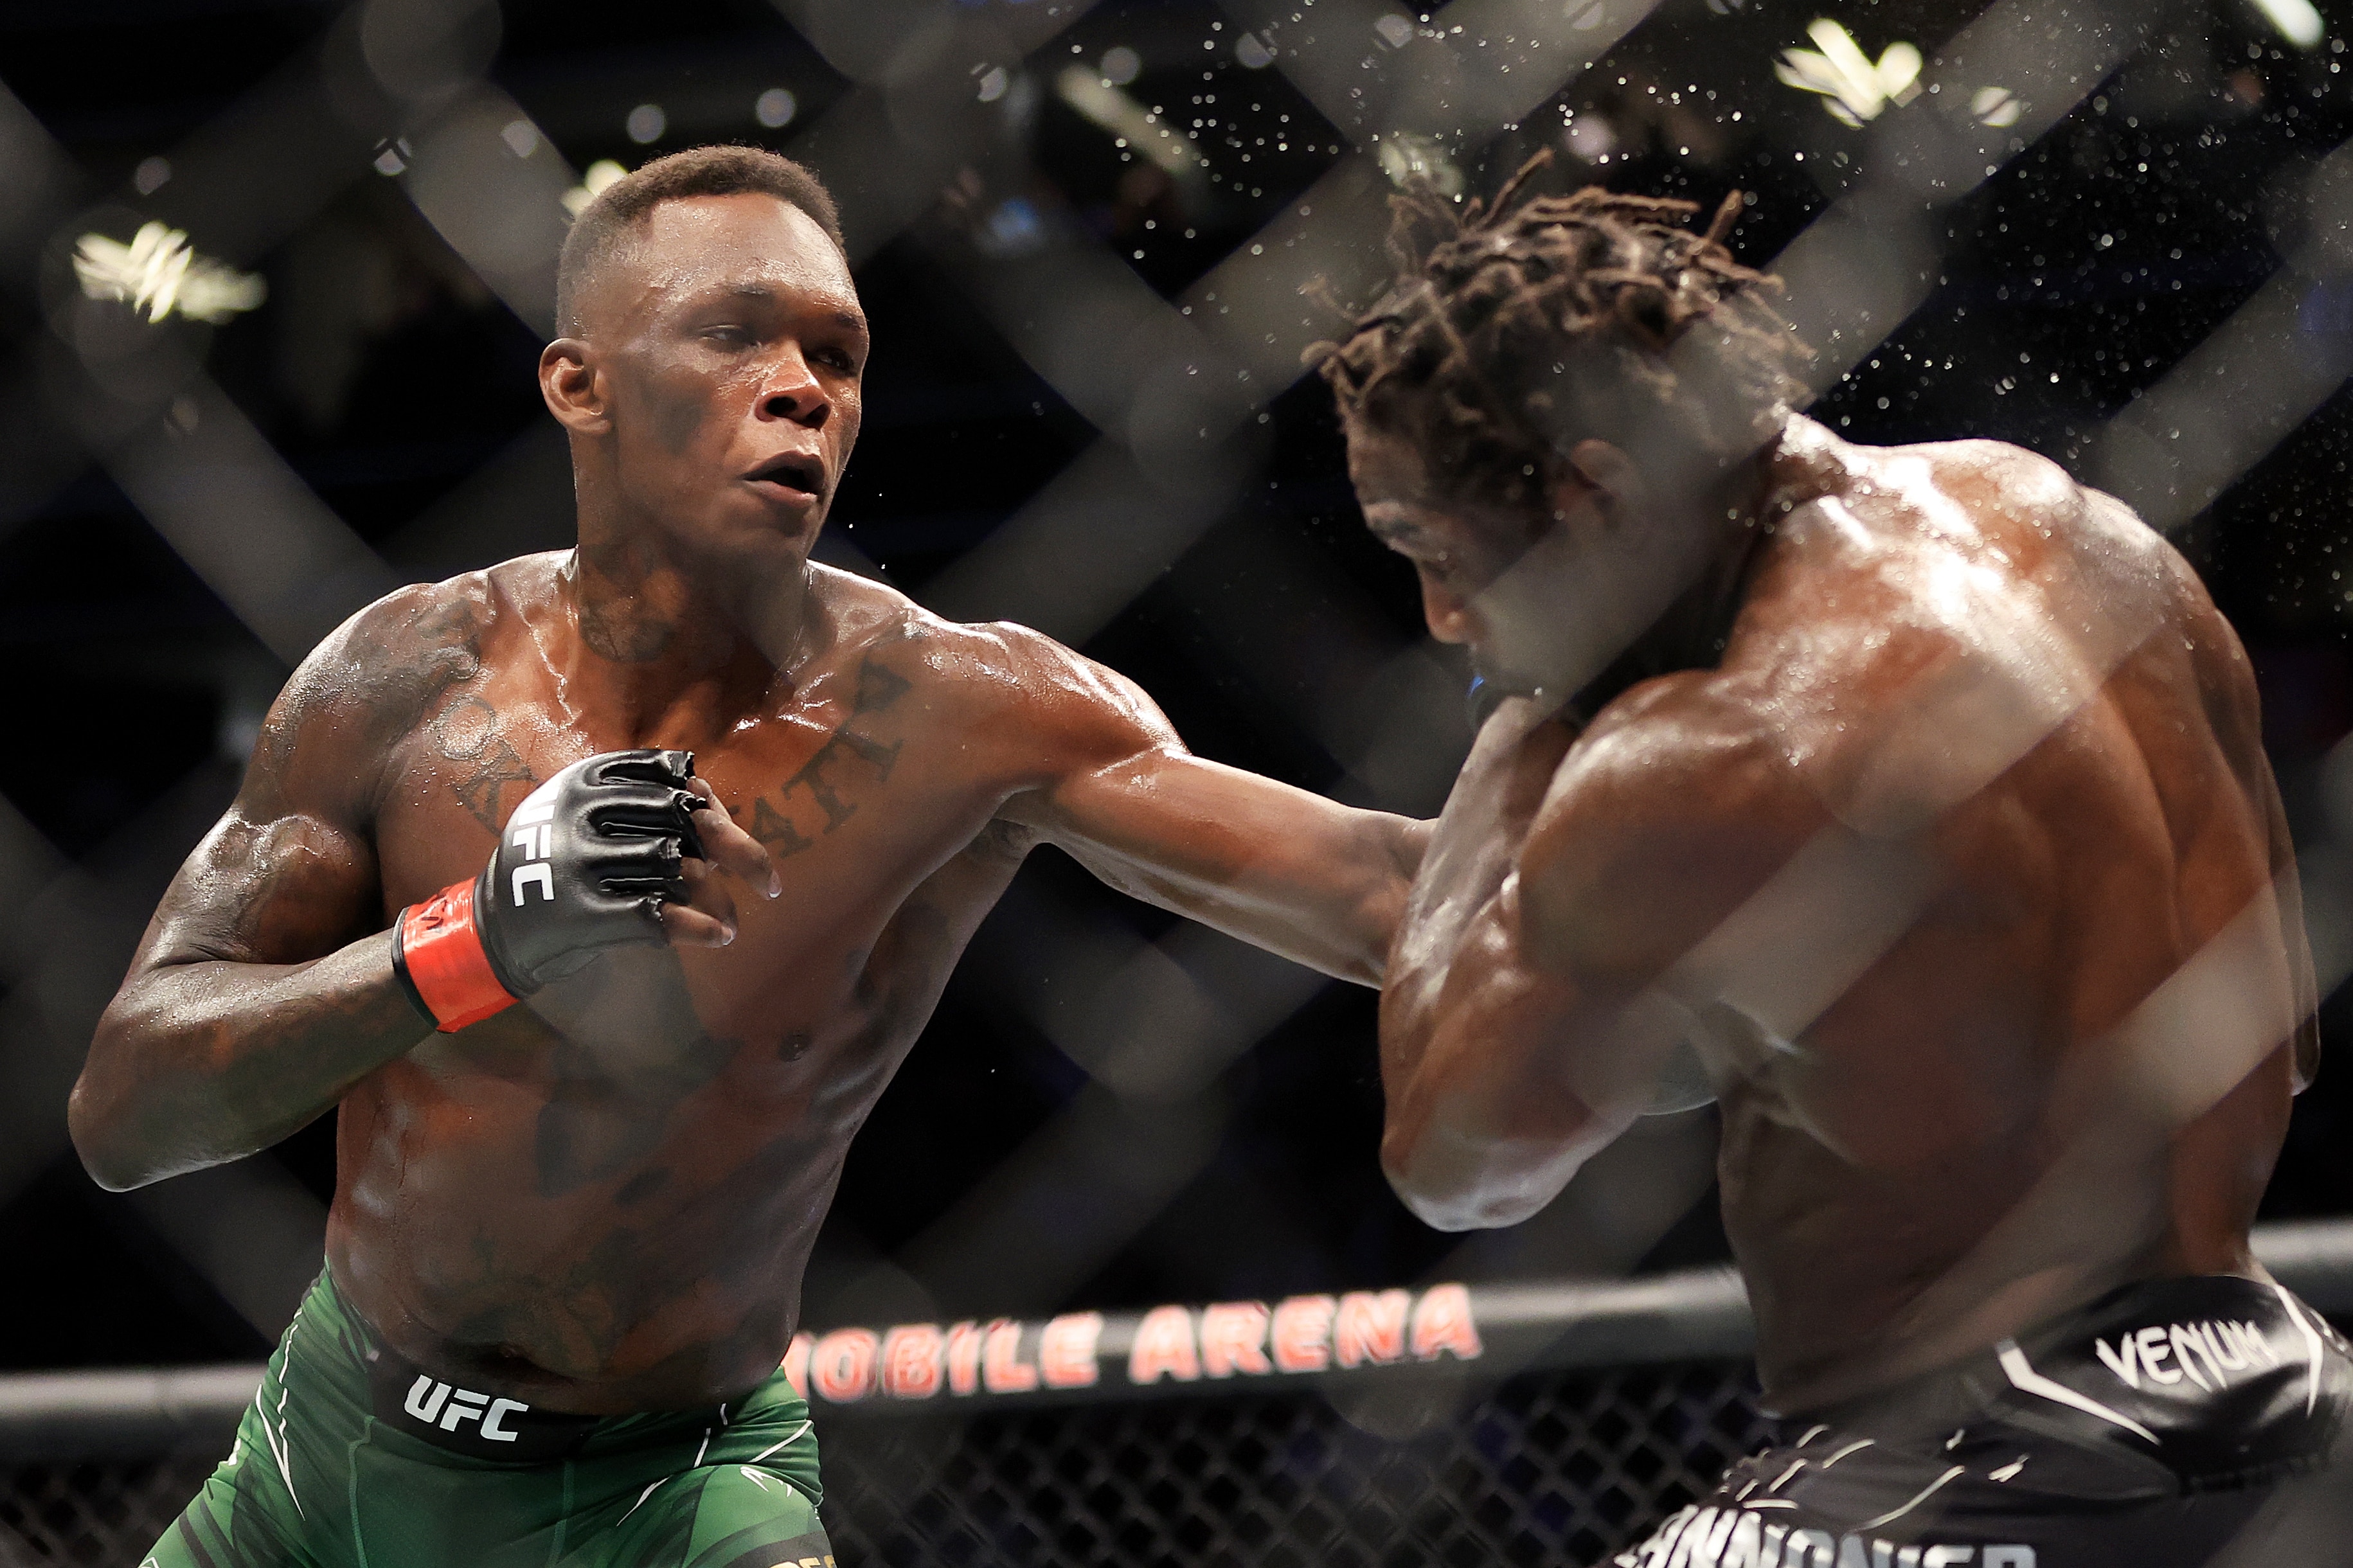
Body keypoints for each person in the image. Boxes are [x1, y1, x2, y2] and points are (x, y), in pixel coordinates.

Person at [71, 145, 1426, 1568]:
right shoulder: (400, 677)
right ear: (579, 384)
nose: (802, 388)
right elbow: (123, 1110)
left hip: (674, 1490)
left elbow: (1390, 893)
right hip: (318, 1456)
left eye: (837, 354)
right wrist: (477, 942)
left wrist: (1588, 765)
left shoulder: (973, 713)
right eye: (732, 334)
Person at [1312, 157, 2351, 1565]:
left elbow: (1456, 1164)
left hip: (1959, 1464)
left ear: (1591, 493)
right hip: (2284, 1394)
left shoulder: (1713, 744)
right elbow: (2282, 1035)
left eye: (1435, 549)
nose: (1442, 615)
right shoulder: (2081, 541)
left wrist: (1523, 727)